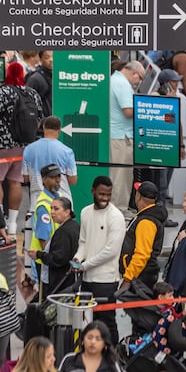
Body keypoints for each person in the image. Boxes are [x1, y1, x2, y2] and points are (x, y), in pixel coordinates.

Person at [0, 62, 45, 234]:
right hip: (23, 146)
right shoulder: (32, 93)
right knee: (16, 182)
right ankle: (13, 224)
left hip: (1, 146)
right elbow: (39, 119)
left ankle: (0, 223)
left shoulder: (1, 93)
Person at [73, 176, 127, 346]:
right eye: (101, 194)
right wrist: (77, 258)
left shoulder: (116, 217)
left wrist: (84, 265)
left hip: (106, 281)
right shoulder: (85, 212)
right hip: (87, 280)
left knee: (107, 322)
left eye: (108, 194)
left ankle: (113, 357)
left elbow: (111, 251)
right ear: (92, 191)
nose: (105, 198)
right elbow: (83, 242)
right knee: (89, 322)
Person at [109, 60, 144, 217]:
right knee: (120, 176)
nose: (139, 82)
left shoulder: (115, 80)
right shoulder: (122, 84)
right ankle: (118, 210)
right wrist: (146, 107)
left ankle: (120, 207)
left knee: (121, 175)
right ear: (134, 73)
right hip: (121, 137)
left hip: (118, 135)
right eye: (141, 78)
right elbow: (129, 111)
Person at [22, 116, 78, 209]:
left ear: (43, 127)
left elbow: (26, 178)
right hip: (62, 202)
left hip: (37, 201)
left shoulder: (28, 149)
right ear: (59, 130)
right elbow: (73, 180)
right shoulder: (67, 151)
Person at [27, 197, 79, 296]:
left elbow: (58, 259)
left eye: (56, 209)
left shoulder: (63, 232)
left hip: (59, 284)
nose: (52, 212)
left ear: (67, 212)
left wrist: (38, 255)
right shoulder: (74, 226)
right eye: (51, 208)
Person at [27, 164, 61, 286]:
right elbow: (43, 239)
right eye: (53, 177)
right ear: (43, 180)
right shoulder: (43, 205)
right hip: (45, 259)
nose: (57, 180)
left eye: (58, 176)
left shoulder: (58, 197)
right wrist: (50, 259)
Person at [26, 51, 52, 116]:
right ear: (40, 59)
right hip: (42, 121)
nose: (51, 60)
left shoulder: (59, 76)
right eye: (47, 57)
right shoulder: (35, 79)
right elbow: (27, 102)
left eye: (53, 57)